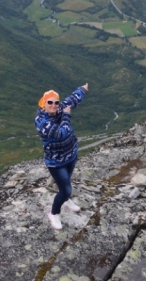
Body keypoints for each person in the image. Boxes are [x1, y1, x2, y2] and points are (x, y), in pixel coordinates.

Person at [34, 82, 89, 230]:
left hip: (71, 154)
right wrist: (66, 115)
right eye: (49, 102)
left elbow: (72, 100)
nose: (53, 105)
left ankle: (65, 199)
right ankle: (54, 213)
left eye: (56, 102)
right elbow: (61, 133)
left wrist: (82, 89)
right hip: (56, 162)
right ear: (43, 103)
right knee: (66, 189)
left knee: (66, 183)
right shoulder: (41, 121)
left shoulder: (59, 108)